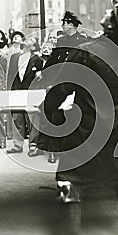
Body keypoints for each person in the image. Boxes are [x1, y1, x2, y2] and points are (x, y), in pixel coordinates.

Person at [40, 0, 118, 235]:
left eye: (111, 13)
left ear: (112, 25)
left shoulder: (89, 51)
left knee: (70, 179)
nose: (106, 13)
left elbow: (62, 85)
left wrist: (50, 111)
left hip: (86, 129)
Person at [37, 11, 89, 164]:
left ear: (71, 25)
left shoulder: (82, 40)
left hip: (79, 82)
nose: (62, 26)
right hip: (61, 82)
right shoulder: (61, 41)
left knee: (80, 114)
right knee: (52, 111)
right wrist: (43, 73)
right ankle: (51, 149)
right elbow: (54, 59)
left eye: (64, 24)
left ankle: (77, 149)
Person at [6, 36, 43, 154]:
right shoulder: (14, 57)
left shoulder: (37, 60)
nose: (27, 39)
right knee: (17, 117)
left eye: (31, 40)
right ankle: (18, 145)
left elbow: (39, 78)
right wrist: (9, 90)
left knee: (31, 117)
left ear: (32, 46)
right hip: (16, 90)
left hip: (30, 91)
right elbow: (10, 75)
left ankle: (33, 144)